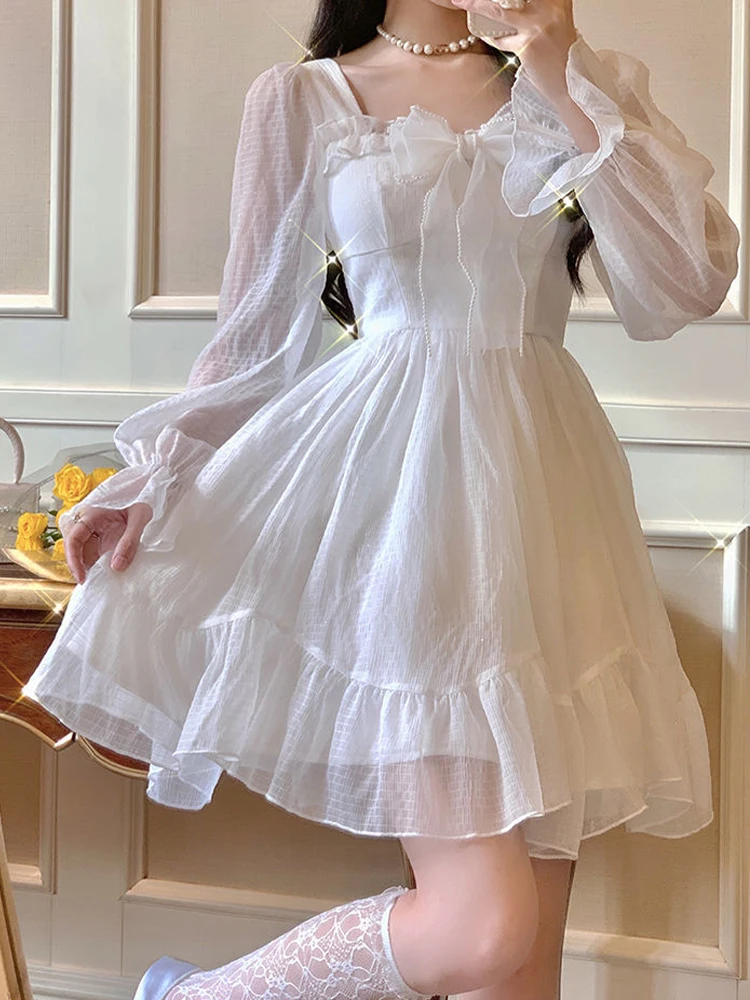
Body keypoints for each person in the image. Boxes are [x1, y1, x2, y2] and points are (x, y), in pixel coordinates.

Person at [23, 0, 740, 998]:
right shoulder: (305, 99)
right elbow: (255, 340)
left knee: (523, 969)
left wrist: (560, 61)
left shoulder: (574, 81)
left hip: (550, 516)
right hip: (398, 515)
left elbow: (685, 283)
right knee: (483, 925)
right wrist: (158, 477)